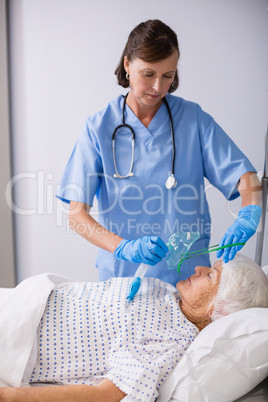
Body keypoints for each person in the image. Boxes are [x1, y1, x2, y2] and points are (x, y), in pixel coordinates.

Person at [56, 19, 262, 285]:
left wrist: (248, 214)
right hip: (122, 278)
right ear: (128, 65)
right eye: (149, 74)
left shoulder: (193, 119)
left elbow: (247, 178)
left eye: (168, 76)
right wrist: (123, 247)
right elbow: (76, 215)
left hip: (189, 282)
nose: (158, 88)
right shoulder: (98, 128)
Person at [0, 254, 267, 402]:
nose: (198, 268)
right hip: (26, 298)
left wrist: (9, 397)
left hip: (19, 335)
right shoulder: (169, 294)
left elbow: (104, 395)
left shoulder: (171, 342)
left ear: (218, 309)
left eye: (210, 275)